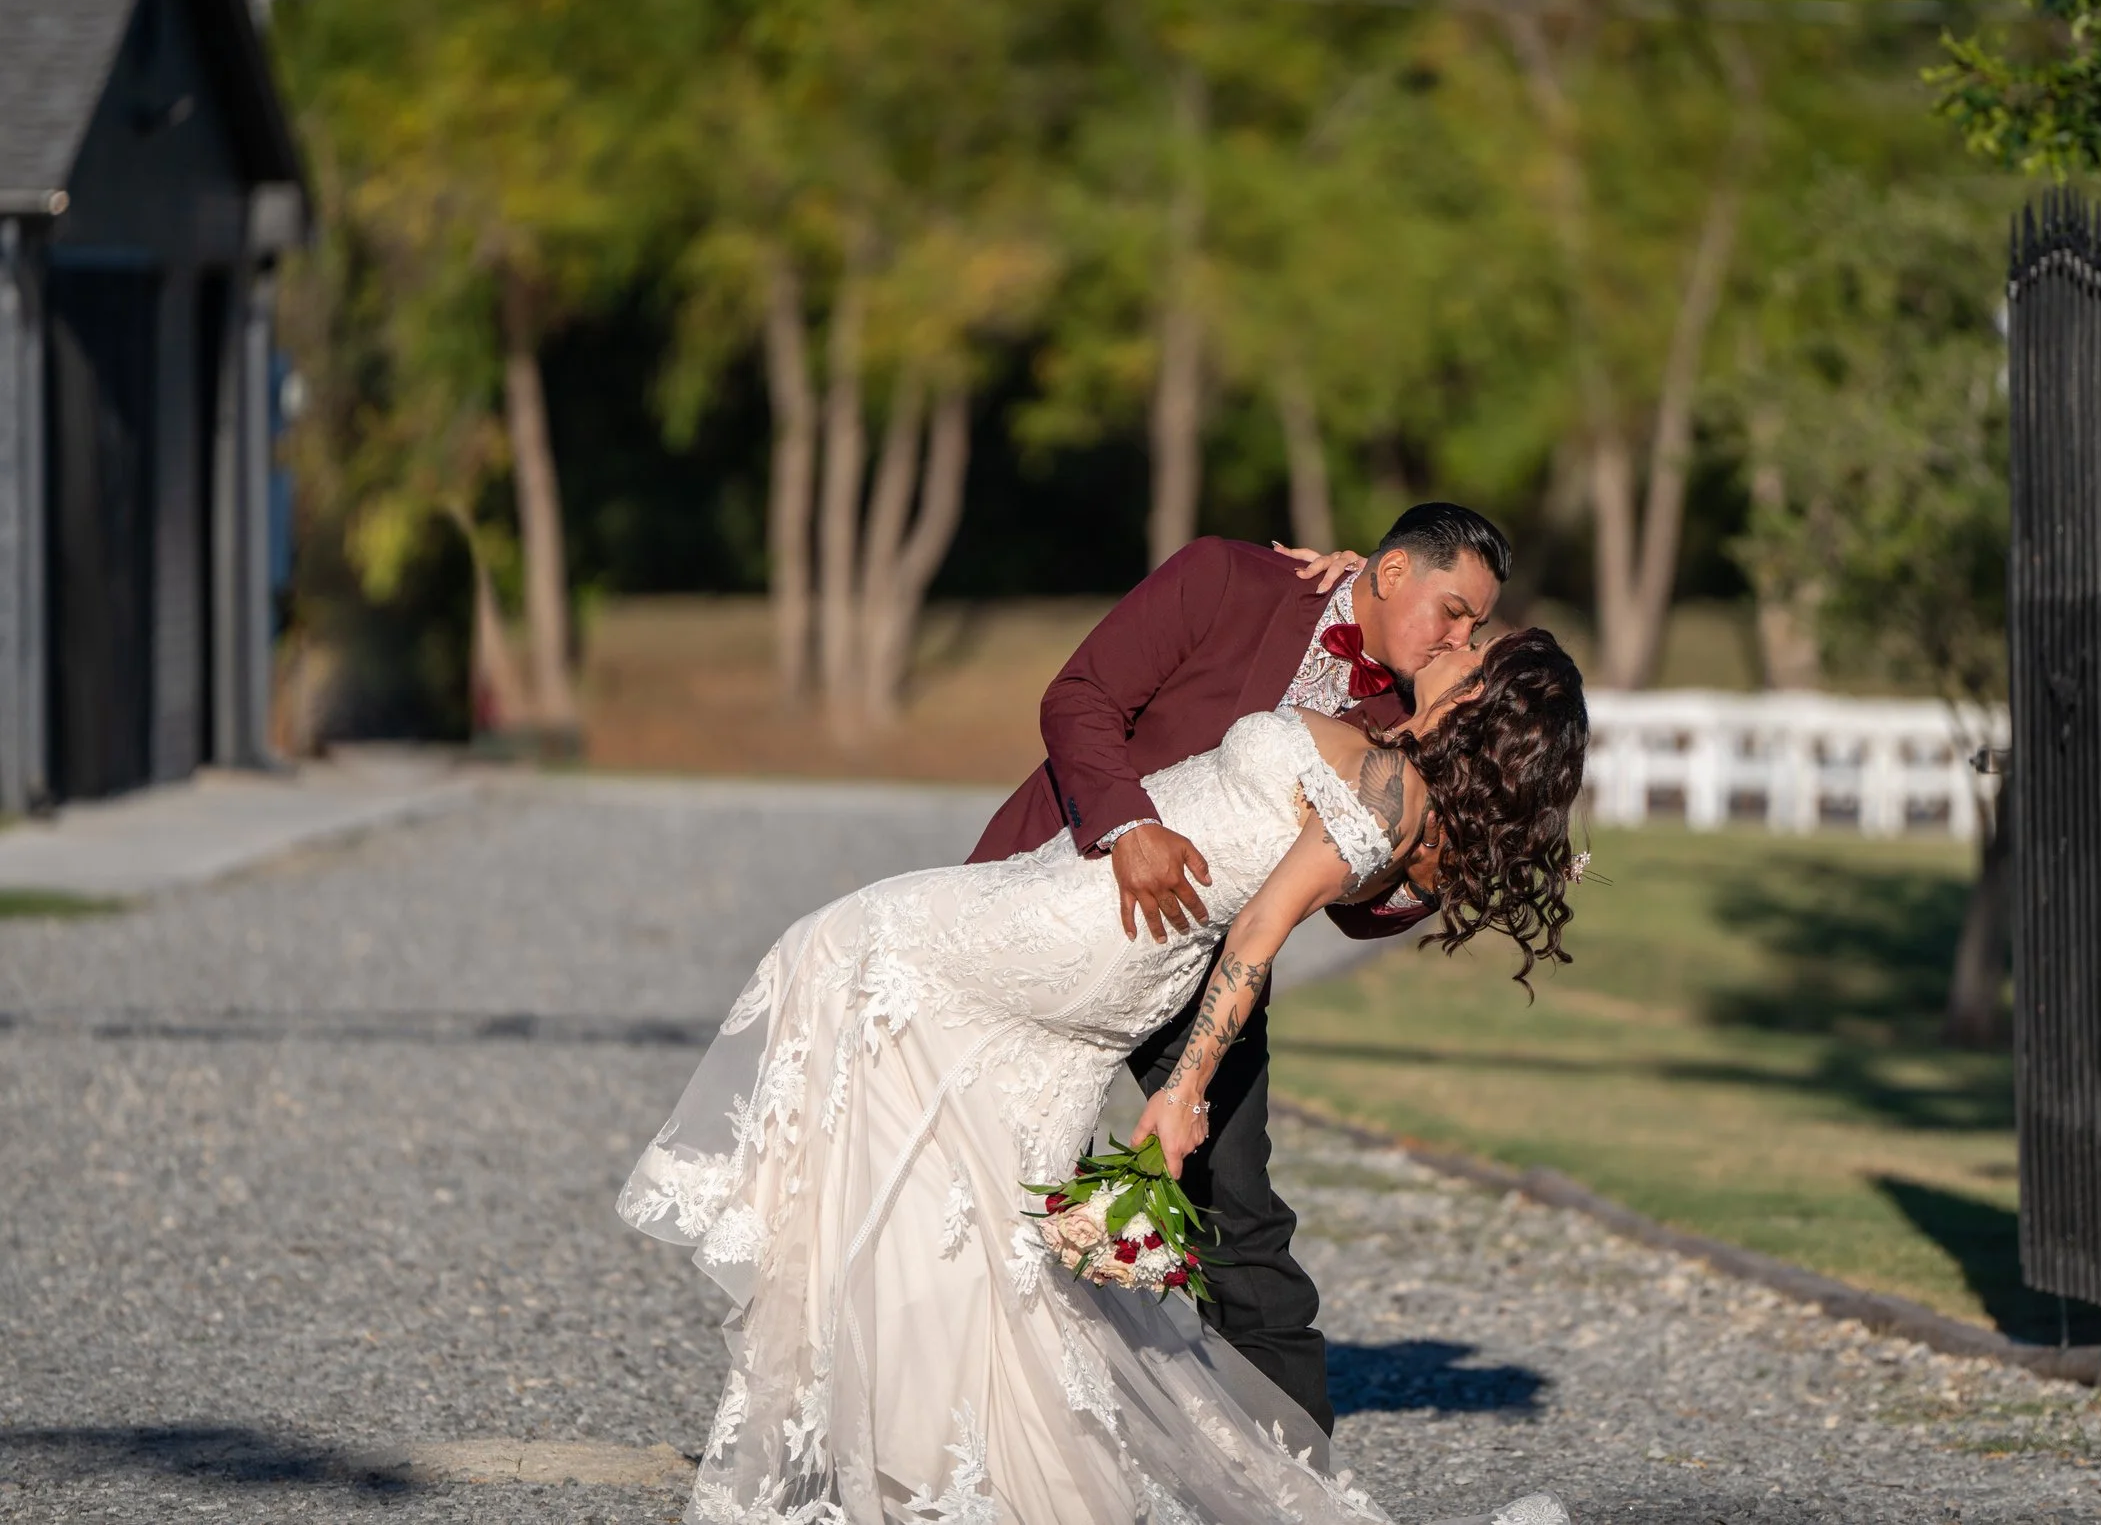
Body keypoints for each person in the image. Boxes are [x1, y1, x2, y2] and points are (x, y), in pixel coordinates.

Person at [619, 611, 1588, 1523]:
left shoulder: (1393, 794)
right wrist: (1350, 573)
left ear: (1480, 705)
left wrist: (1180, 1093)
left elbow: (1257, 934)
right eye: (1458, 623)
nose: (1457, 640)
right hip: (1097, 944)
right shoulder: (1391, 758)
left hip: (1080, 933)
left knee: (839, 949)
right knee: (984, 1216)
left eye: (1475, 648)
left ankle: (869, 1438)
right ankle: (964, 1472)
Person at [966, 503, 1515, 1436]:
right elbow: (1081, 697)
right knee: (983, 1170)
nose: (1466, 638)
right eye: (1454, 611)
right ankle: (967, 1413)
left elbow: (1354, 907)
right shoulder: (1228, 576)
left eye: (1478, 624)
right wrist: (1129, 826)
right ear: (1387, 574)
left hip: (1212, 961)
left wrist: (1450, 874)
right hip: (1060, 901)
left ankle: (1285, 1467)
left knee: (1239, 1211)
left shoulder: (1409, 717)